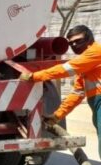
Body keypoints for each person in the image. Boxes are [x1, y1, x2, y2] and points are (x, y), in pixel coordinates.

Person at [19, 25, 101, 155]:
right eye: (71, 43)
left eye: (78, 40)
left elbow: (65, 69)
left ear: (89, 37)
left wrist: (34, 76)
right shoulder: (85, 66)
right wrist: (57, 115)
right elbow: (77, 93)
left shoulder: (96, 51)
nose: (75, 44)